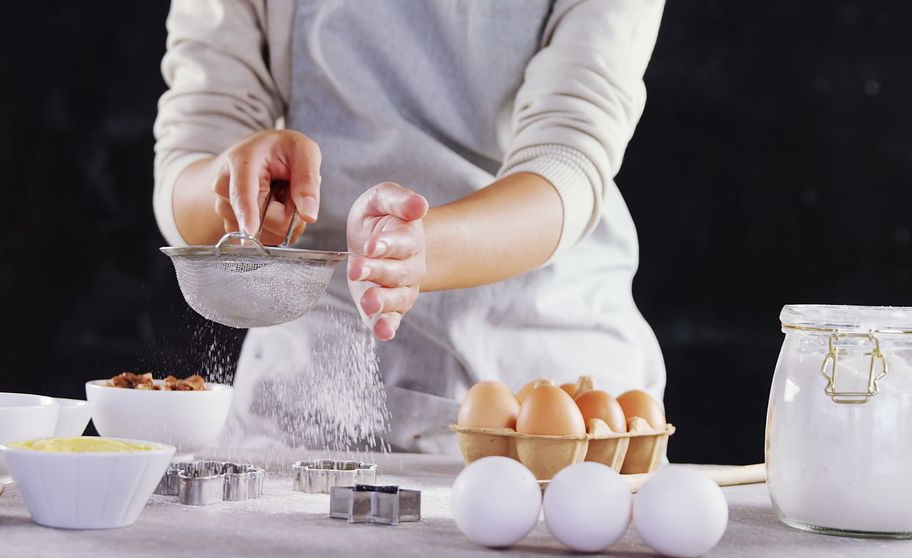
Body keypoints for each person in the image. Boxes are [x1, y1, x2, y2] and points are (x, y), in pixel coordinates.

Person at [153, 0, 666, 453]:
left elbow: (568, 160)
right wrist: (236, 189)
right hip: (313, 398)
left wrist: (418, 250)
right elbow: (195, 150)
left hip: (544, 388)